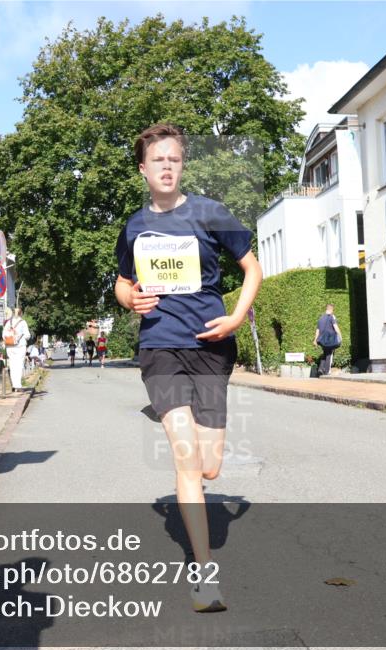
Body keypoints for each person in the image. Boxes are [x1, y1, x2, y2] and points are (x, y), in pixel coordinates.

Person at [115, 123, 262, 613]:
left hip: (210, 346)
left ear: (182, 164)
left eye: (174, 158)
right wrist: (131, 298)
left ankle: (198, 491)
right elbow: (121, 282)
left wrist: (237, 316)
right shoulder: (134, 225)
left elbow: (252, 268)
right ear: (143, 169)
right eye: (157, 160)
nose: (166, 166)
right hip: (160, 347)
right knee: (185, 460)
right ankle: (204, 574)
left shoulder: (209, 213)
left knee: (210, 466)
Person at [4, 307, 31, 391]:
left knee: (12, 365)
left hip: (10, 346)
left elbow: (4, 334)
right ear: (21, 313)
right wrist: (21, 336)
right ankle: (18, 386)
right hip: (20, 346)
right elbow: (27, 335)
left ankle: (14, 385)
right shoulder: (23, 322)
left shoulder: (9, 322)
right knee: (19, 365)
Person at [313, 304, 343, 375]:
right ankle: (327, 371)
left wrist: (315, 340)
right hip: (330, 339)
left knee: (325, 353)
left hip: (322, 340)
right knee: (329, 353)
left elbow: (317, 330)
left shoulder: (320, 318)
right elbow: (335, 327)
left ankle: (321, 369)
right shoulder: (331, 317)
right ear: (331, 309)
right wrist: (340, 336)